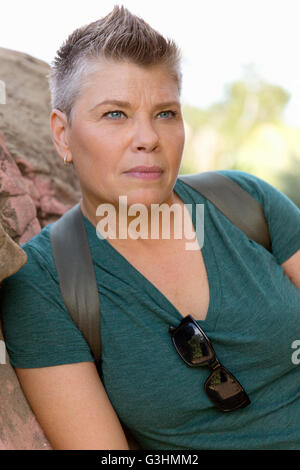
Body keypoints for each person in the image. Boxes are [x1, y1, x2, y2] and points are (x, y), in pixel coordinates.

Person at [1, 5, 300, 451]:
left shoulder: (247, 202)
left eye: (165, 113)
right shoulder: (44, 284)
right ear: (62, 135)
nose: (148, 138)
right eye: (115, 114)